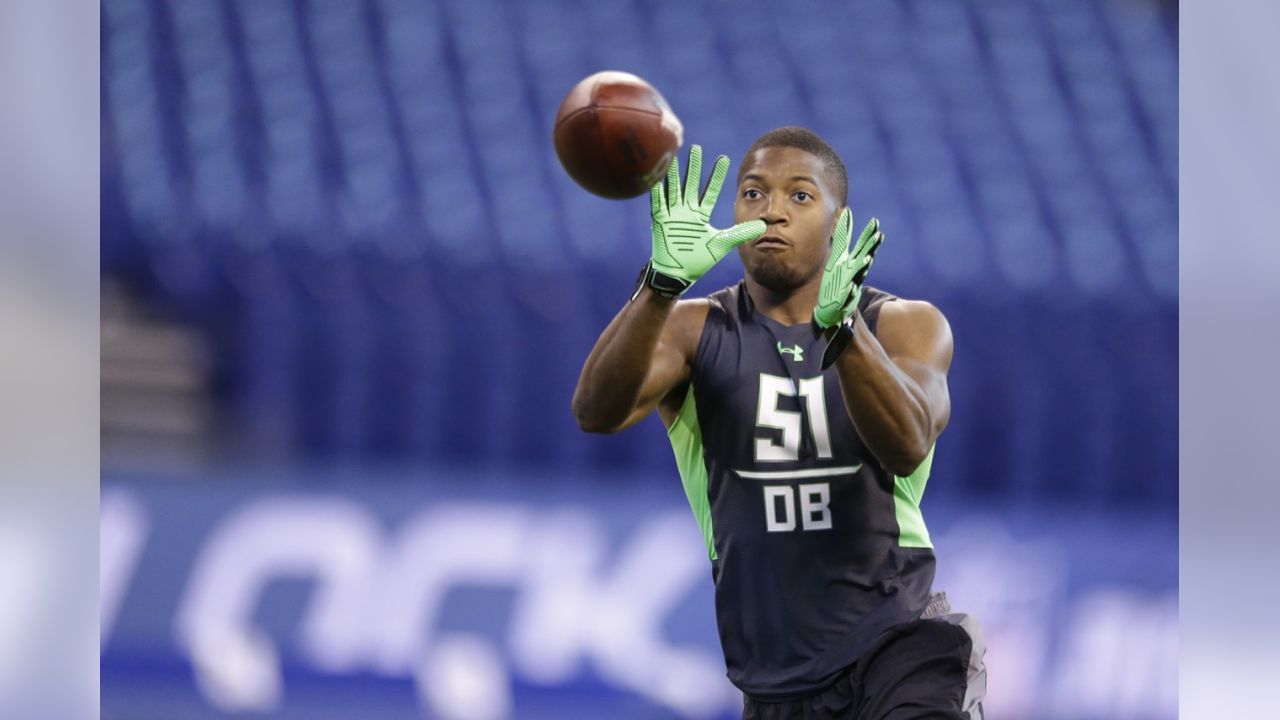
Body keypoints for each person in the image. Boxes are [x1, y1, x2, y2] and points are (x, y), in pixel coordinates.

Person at [572, 127, 986, 719]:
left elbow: (908, 444)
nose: (772, 212)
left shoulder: (905, 324)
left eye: (799, 196)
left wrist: (845, 332)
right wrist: (658, 289)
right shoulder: (693, 329)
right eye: (753, 193)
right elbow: (595, 412)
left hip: (898, 642)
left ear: (838, 219)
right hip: (774, 679)